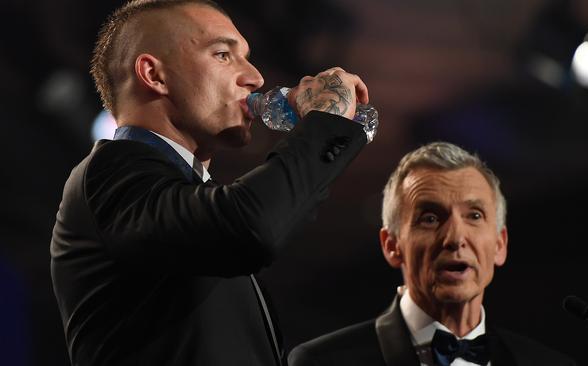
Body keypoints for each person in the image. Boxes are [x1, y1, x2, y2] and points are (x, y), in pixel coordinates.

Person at [50, 1, 372, 365]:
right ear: (154, 75)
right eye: (223, 54)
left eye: (247, 57)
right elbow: (250, 225)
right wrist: (325, 118)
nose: (255, 77)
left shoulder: (193, 197)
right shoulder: (110, 169)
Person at [289, 142, 575, 366]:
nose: (455, 238)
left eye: (474, 215)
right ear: (391, 245)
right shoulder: (324, 362)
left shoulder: (550, 363)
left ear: (500, 245)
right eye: (429, 218)